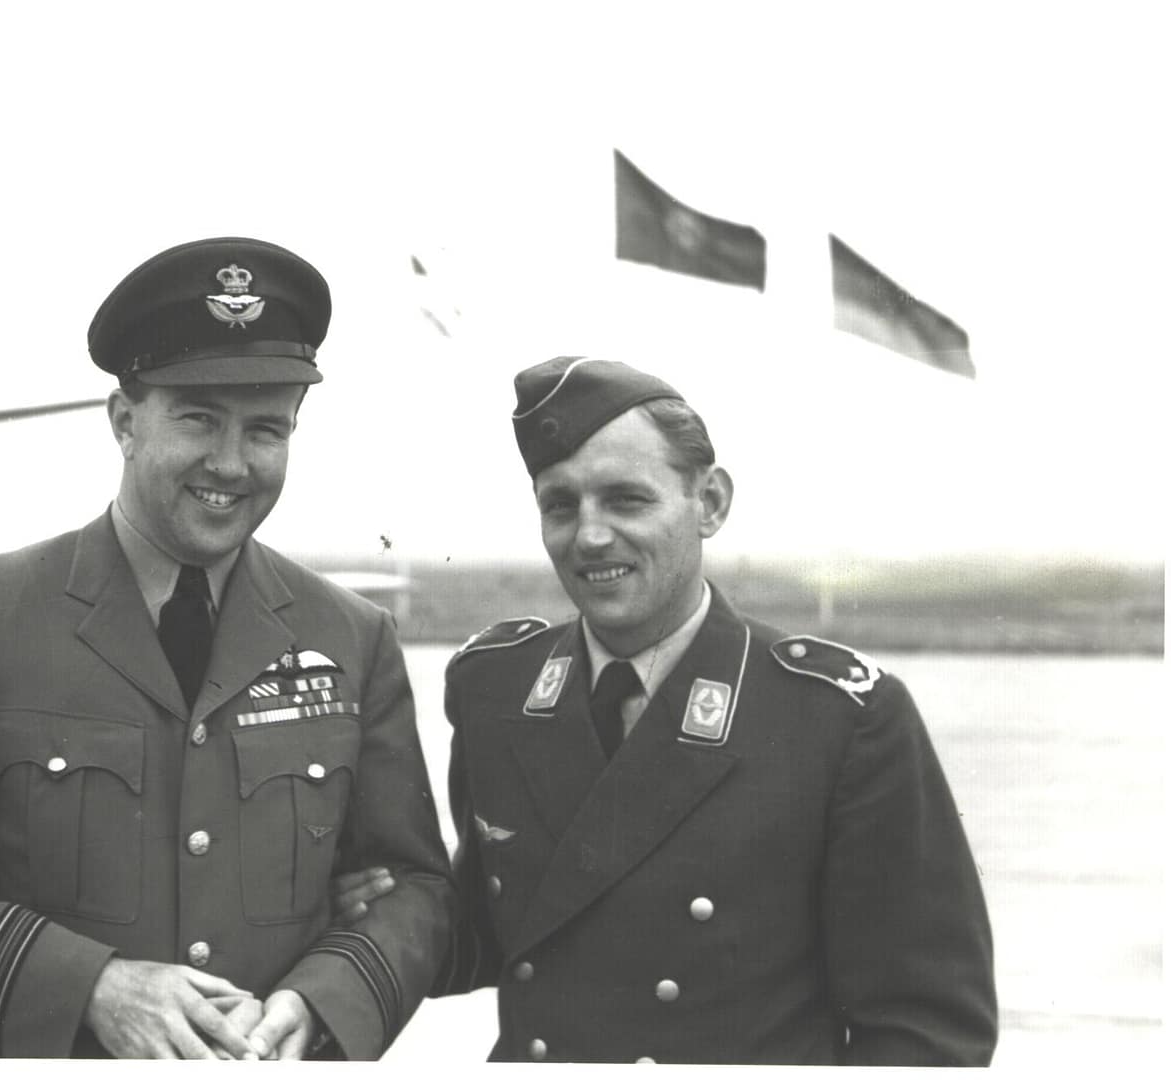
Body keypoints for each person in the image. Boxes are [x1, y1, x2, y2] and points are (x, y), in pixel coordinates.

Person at [0, 237, 452, 1059]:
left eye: (265, 430)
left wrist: (321, 1000)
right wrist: (91, 988)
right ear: (124, 421)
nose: (230, 464)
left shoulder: (350, 637)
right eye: (198, 418)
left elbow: (413, 889)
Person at [335, 354, 996, 1064]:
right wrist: (373, 908)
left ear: (709, 503)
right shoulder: (495, 687)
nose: (589, 535)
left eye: (626, 500)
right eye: (560, 505)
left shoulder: (839, 718)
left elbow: (929, 1030)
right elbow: (502, 932)